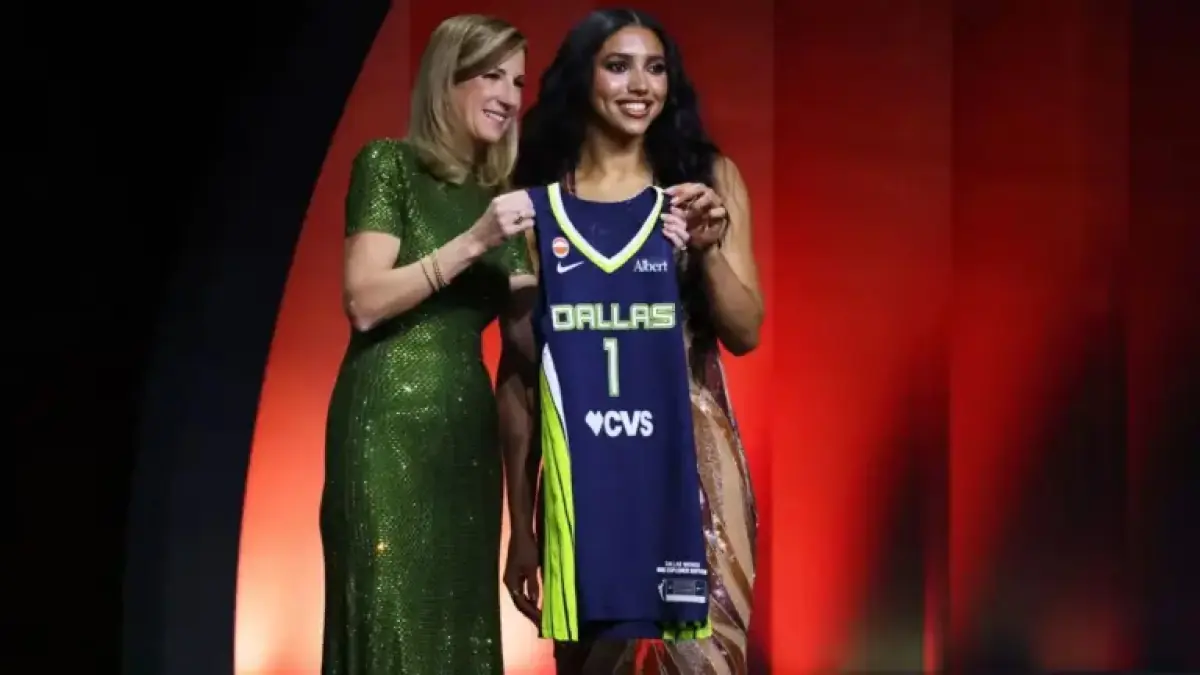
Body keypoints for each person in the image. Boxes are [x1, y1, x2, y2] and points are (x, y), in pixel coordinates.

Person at [500, 8, 763, 674]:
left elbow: (746, 330)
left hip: (694, 467)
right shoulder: (537, 204)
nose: (640, 85)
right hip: (586, 470)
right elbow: (522, 375)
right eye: (618, 67)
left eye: (655, 68)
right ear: (581, 78)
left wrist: (705, 249)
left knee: (706, 661)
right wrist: (522, 529)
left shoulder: (707, 181)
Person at [320, 14, 538, 675]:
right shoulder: (389, 163)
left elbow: (528, 343)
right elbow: (363, 301)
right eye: (493, 76)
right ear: (449, 79)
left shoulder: (502, 199)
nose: (509, 95)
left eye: (518, 81)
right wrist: (474, 241)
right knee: (390, 622)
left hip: (465, 436)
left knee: (457, 630)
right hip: (386, 429)